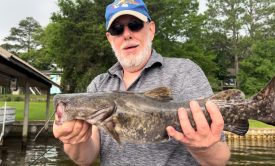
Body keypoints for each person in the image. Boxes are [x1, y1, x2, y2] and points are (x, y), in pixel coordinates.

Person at [53, 0, 231, 165]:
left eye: (135, 25)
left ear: (151, 29)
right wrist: (74, 139)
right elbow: (85, 158)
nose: (127, 34)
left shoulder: (184, 71)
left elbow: (220, 158)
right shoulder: (98, 85)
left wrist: (203, 147)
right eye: (117, 29)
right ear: (109, 38)